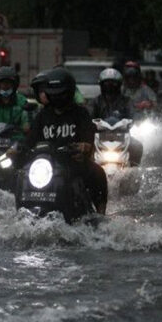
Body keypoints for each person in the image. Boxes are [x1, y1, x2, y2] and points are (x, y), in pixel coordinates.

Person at [26, 67, 108, 214]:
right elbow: (30, 140)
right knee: (21, 176)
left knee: (98, 172)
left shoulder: (80, 113)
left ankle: (101, 214)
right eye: (54, 95)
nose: (57, 98)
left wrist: (84, 146)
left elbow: (88, 135)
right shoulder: (42, 116)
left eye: (60, 94)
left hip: (73, 164)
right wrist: (16, 149)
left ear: (69, 93)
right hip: (46, 167)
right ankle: (19, 211)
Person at [91, 68, 143, 166]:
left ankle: (134, 171)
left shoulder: (126, 101)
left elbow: (134, 114)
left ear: (119, 85)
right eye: (106, 83)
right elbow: (89, 115)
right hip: (100, 137)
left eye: (113, 83)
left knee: (137, 146)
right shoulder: (96, 101)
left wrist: (134, 120)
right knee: (87, 147)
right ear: (101, 85)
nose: (110, 86)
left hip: (122, 136)